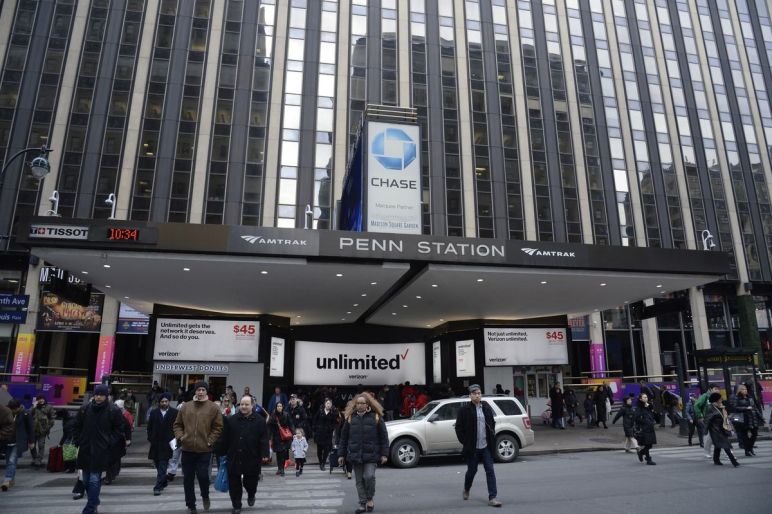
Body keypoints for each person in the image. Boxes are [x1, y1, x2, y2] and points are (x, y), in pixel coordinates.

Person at [173, 380, 224, 514]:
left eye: (203, 390)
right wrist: (181, 437)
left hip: (204, 450)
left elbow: (218, 427)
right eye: (198, 390)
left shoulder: (213, 408)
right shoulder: (186, 407)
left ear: (206, 392)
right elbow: (177, 425)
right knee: (188, 479)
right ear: (195, 391)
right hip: (187, 449)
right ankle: (191, 505)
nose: (200, 392)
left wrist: (210, 441)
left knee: (203, 476)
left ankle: (205, 496)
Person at [73, 385, 126, 513]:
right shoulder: (85, 409)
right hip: (85, 448)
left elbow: (119, 429)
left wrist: (109, 442)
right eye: (96, 394)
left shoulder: (113, 410)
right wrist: (78, 440)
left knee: (94, 479)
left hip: (101, 450)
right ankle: (95, 501)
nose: (98, 397)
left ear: (106, 396)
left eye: (101, 395)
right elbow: (76, 426)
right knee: (85, 480)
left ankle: (90, 508)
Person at [338, 392, 390, 514]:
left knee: (369, 477)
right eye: (358, 403)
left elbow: (384, 437)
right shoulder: (350, 418)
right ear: (355, 405)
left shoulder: (376, 417)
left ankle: (370, 498)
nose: (360, 405)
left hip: (371, 454)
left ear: (368, 405)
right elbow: (343, 438)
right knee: (359, 480)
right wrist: (341, 454)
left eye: (362, 403)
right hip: (355, 454)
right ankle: (362, 503)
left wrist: (384, 454)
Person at [218, 395, 270, 514]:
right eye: (242, 404)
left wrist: (265, 453)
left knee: (250, 482)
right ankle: (236, 504)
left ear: (252, 406)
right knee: (234, 483)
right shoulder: (232, 420)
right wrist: (220, 451)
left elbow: (264, 439)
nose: (244, 407)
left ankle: (251, 494)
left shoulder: (260, 421)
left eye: (247, 404)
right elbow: (225, 438)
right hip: (234, 456)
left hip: (252, 457)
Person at [454, 384, 502, 508]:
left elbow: (492, 423)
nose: (477, 395)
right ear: (470, 396)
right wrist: (465, 441)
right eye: (474, 393)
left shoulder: (486, 408)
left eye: (479, 393)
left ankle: (493, 497)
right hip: (473, 448)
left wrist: (492, 437)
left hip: (486, 446)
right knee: (472, 471)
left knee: (490, 470)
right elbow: (458, 428)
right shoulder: (464, 410)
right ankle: (466, 489)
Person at [148, 392, 178, 496]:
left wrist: (176, 439)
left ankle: (158, 486)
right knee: (157, 463)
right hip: (155, 443)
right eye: (162, 401)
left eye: (166, 401)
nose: (164, 403)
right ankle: (163, 480)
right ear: (159, 402)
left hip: (167, 443)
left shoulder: (175, 412)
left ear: (169, 402)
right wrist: (150, 438)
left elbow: (178, 426)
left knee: (163, 464)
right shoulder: (154, 412)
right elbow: (150, 426)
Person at [1, 399, 33, 491]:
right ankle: (11, 480)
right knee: (9, 461)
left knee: (11, 460)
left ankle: (7, 480)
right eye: (11, 409)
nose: (13, 411)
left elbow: (30, 428)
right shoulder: (6, 413)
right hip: (7, 440)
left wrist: (31, 441)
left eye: (14, 409)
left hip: (18, 441)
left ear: (18, 407)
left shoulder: (25, 414)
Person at [704, 392, 739, 467]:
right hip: (715, 430)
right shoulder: (710, 408)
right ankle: (734, 461)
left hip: (722, 428)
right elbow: (708, 419)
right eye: (720, 399)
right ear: (716, 400)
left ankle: (716, 459)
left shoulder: (721, 407)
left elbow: (725, 418)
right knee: (726, 445)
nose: (721, 400)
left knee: (718, 445)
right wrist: (705, 430)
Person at [107, 399, 133, 484]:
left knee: (115, 458)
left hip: (118, 440)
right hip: (109, 440)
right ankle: (110, 475)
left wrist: (128, 439)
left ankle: (112, 474)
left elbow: (128, 428)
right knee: (111, 458)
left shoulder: (123, 417)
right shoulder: (108, 414)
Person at [730, 384, 760, 457]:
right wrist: (746, 408)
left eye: (745, 389)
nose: (745, 390)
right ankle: (748, 450)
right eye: (743, 389)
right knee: (745, 436)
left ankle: (749, 448)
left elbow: (755, 408)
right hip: (743, 419)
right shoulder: (736, 398)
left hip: (752, 418)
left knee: (754, 434)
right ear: (739, 390)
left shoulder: (750, 397)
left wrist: (760, 417)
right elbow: (734, 407)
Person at [694, 383, 719, 459]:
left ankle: (729, 452)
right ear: (710, 389)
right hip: (707, 419)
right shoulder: (705, 396)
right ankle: (707, 452)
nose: (717, 390)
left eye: (718, 389)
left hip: (717, 418)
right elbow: (696, 405)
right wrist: (700, 416)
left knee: (721, 435)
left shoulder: (718, 397)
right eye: (715, 389)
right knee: (708, 436)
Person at [313, 398, 338, 471]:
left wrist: (331, 429)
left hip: (328, 434)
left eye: (330, 403)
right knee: (319, 450)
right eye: (327, 403)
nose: (328, 405)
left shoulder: (333, 412)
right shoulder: (320, 411)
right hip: (319, 433)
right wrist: (315, 428)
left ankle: (323, 463)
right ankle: (320, 462)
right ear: (325, 404)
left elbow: (335, 422)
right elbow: (315, 419)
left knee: (326, 450)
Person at [268, 402, 293, 476]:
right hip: (277, 437)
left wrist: (294, 433)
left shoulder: (286, 414)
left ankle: (282, 469)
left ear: (282, 407)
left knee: (283, 453)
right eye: (278, 406)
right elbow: (270, 426)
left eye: (280, 406)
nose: (279, 407)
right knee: (278, 454)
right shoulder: (273, 415)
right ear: (276, 407)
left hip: (285, 436)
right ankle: (279, 468)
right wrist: (269, 437)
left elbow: (290, 424)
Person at [30, 395, 55, 467]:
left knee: (41, 445)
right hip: (33, 430)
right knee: (32, 446)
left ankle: (39, 460)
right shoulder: (34, 407)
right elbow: (29, 414)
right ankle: (35, 458)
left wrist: (48, 427)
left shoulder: (49, 407)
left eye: (42, 399)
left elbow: (52, 418)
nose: (41, 400)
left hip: (43, 430)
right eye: (39, 399)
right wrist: (34, 407)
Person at [633, 393, 657, 465]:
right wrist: (645, 421)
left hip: (650, 427)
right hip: (644, 428)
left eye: (646, 397)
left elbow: (652, 414)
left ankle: (641, 453)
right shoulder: (639, 408)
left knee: (650, 445)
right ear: (640, 399)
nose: (646, 398)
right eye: (644, 397)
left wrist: (649, 406)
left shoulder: (648, 406)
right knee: (647, 444)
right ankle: (648, 459)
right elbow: (637, 418)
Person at [59, 409, 78, 473]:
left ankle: (71, 468)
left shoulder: (68, 421)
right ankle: (70, 467)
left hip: (71, 438)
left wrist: (61, 442)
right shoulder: (67, 420)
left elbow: (66, 433)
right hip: (71, 438)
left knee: (70, 453)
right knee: (70, 453)